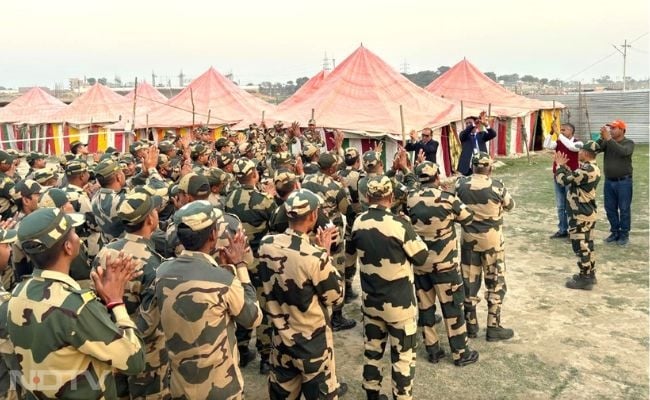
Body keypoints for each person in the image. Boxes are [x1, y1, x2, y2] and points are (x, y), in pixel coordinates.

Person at [7, 208, 145, 398]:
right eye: (73, 232)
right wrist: (115, 302)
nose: (78, 237)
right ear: (68, 247)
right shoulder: (75, 307)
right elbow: (135, 360)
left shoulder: (17, 293)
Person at [139, 200, 262, 399]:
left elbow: (148, 323)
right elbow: (253, 317)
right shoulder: (224, 281)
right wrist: (239, 266)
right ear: (213, 235)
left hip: (181, 386)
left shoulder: (161, 272)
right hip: (222, 388)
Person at [258, 189, 347, 399]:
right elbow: (336, 296)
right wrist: (325, 254)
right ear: (313, 216)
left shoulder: (266, 245)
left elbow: (292, 258)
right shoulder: (315, 257)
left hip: (281, 342)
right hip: (312, 346)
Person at [350, 175, 428, 400]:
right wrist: (410, 227)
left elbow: (350, 253)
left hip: (371, 302)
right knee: (403, 358)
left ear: (368, 197)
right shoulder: (399, 224)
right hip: (399, 306)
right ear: (391, 197)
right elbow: (421, 257)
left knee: (372, 352)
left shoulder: (358, 222)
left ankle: (372, 394)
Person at [93, 191, 170, 398]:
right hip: (146, 354)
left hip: (112, 345)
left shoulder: (105, 253)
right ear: (150, 219)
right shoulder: (154, 264)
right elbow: (151, 323)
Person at [406, 161, 479, 366]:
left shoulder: (410, 198)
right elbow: (468, 217)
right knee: (453, 308)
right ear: (437, 177)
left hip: (421, 264)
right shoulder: (448, 199)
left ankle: (433, 350)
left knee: (426, 308)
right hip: (445, 265)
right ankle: (460, 352)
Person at [455, 152, 515, 341]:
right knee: (495, 285)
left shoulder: (460, 184)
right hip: (492, 244)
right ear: (489, 167)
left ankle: (471, 326)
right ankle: (493, 327)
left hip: (469, 242)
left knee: (469, 285)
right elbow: (510, 205)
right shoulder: (497, 186)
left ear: (472, 166)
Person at [554, 141, 601, 290]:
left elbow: (562, 180)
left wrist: (560, 166)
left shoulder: (587, 169)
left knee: (580, 246)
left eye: (581, 151)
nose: (578, 153)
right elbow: (574, 178)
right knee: (588, 245)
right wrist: (568, 170)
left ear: (586, 153)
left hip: (581, 214)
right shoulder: (590, 168)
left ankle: (585, 278)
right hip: (586, 213)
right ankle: (590, 274)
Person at [596, 119, 635, 246]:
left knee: (624, 209)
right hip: (609, 181)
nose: (611, 130)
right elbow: (595, 149)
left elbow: (623, 152)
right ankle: (615, 232)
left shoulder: (628, 143)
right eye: (610, 128)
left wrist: (609, 140)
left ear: (622, 130)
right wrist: (601, 138)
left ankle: (624, 235)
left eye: (614, 128)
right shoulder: (607, 142)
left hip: (624, 182)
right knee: (610, 208)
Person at [544, 123, 583, 239]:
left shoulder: (578, 143)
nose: (561, 132)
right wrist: (551, 132)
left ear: (571, 131)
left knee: (571, 206)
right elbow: (546, 144)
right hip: (558, 176)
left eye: (563, 130)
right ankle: (562, 230)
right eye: (560, 130)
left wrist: (558, 133)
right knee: (561, 206)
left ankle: (573, 232)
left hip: (571, 177)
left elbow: (570, 146)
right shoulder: (559, 141)